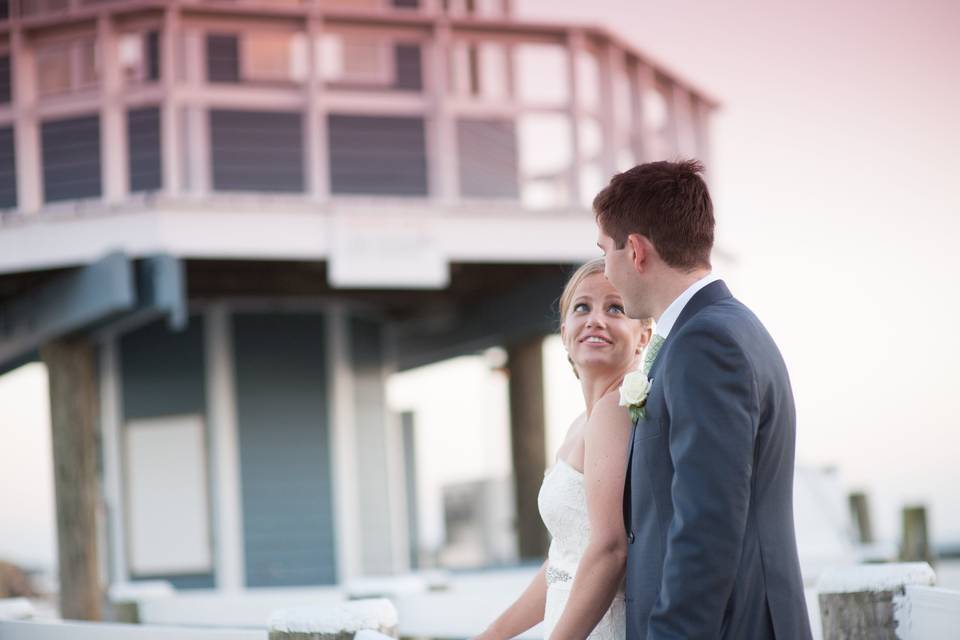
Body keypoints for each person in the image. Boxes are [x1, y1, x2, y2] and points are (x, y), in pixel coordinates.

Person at [595, 160, 813, 639]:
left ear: (635, 250)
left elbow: (707, 523)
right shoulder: (728, 328)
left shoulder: (704, 343)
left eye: (604, 252)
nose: (605, 270)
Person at [476, 258, 652, 640]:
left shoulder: (617, 411)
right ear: (564, 331)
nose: (595, 319)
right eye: (582, 307)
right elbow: (563, 562)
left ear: (643, 335)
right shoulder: (580, 424)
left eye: (615, 308)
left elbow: (609, 551)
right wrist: (490, 636)